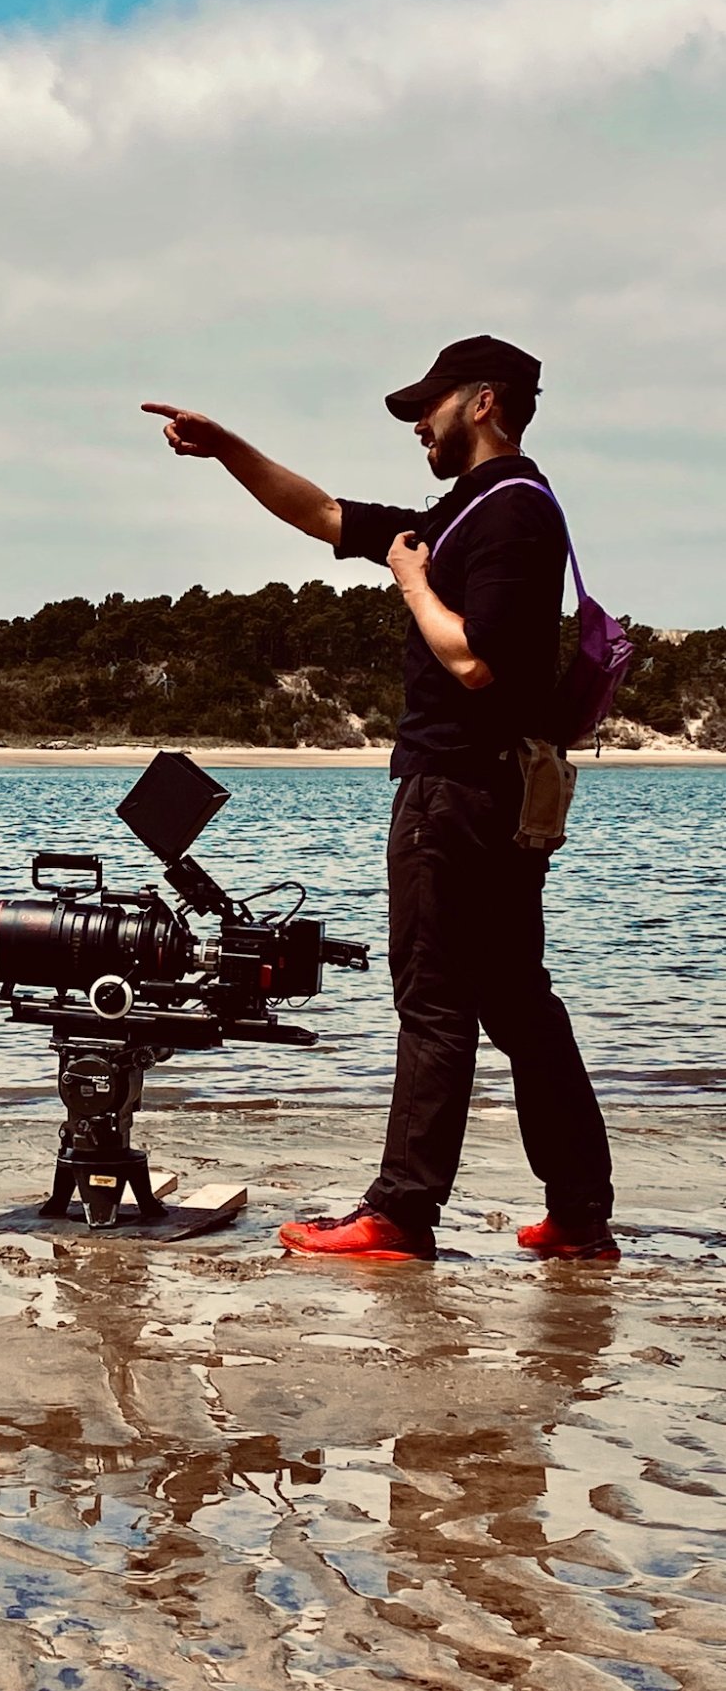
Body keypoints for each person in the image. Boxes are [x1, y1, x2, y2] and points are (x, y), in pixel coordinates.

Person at [143, 335, 616, 1262]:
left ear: (483, 403)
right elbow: (322, 512)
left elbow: (475, 660)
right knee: (520, 1004)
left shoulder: (510, 512)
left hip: (459, 791)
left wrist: (410, 582)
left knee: (435, 1000)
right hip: (488, 793)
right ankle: (578, 1216)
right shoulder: (467, 511)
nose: (418, 426)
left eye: (428, 407)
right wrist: (228, 447)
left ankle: (401, 1214)